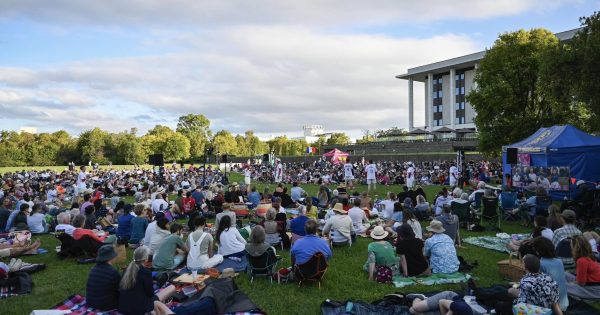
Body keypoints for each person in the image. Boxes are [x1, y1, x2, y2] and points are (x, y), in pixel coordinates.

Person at [532, 237, 569, 312]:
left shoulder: (541, 264)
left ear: (537, 251)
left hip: (552, 307)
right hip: (564, 303)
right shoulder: (559, 261)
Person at [118, 246, 156, 315]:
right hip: (138, 310)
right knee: (157, 299)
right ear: (146, 259)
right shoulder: (146, 272)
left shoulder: (126, 270)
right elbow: (151, 294)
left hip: (122, 307)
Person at [86, 245, 121, 311]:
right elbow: (120, 289)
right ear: (111, 257)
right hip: (106, 306)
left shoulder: (93, 269)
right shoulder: (112, 272)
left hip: (91, 303)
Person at [566, 235, 600, 299]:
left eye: (571, 245)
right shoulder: (589, 256)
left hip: (594, 290)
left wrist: (572, 283)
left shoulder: (581, 260)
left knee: (562, 286)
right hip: (592, 284)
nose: (570, 247)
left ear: (575, 247)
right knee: (564, 274)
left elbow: (581, 283)